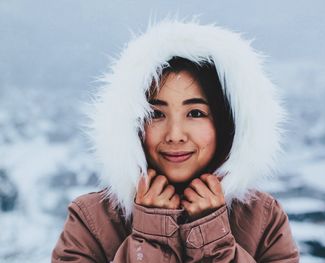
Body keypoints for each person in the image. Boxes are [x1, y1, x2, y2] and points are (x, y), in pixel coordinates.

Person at [52, 20, 299, 262]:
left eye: (195, 113)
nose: (175, 134)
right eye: (157, 114)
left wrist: (214, 243)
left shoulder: (264, 219)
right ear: (132, 124)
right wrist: (152, 238)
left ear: (227, 124)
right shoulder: (91, 221)